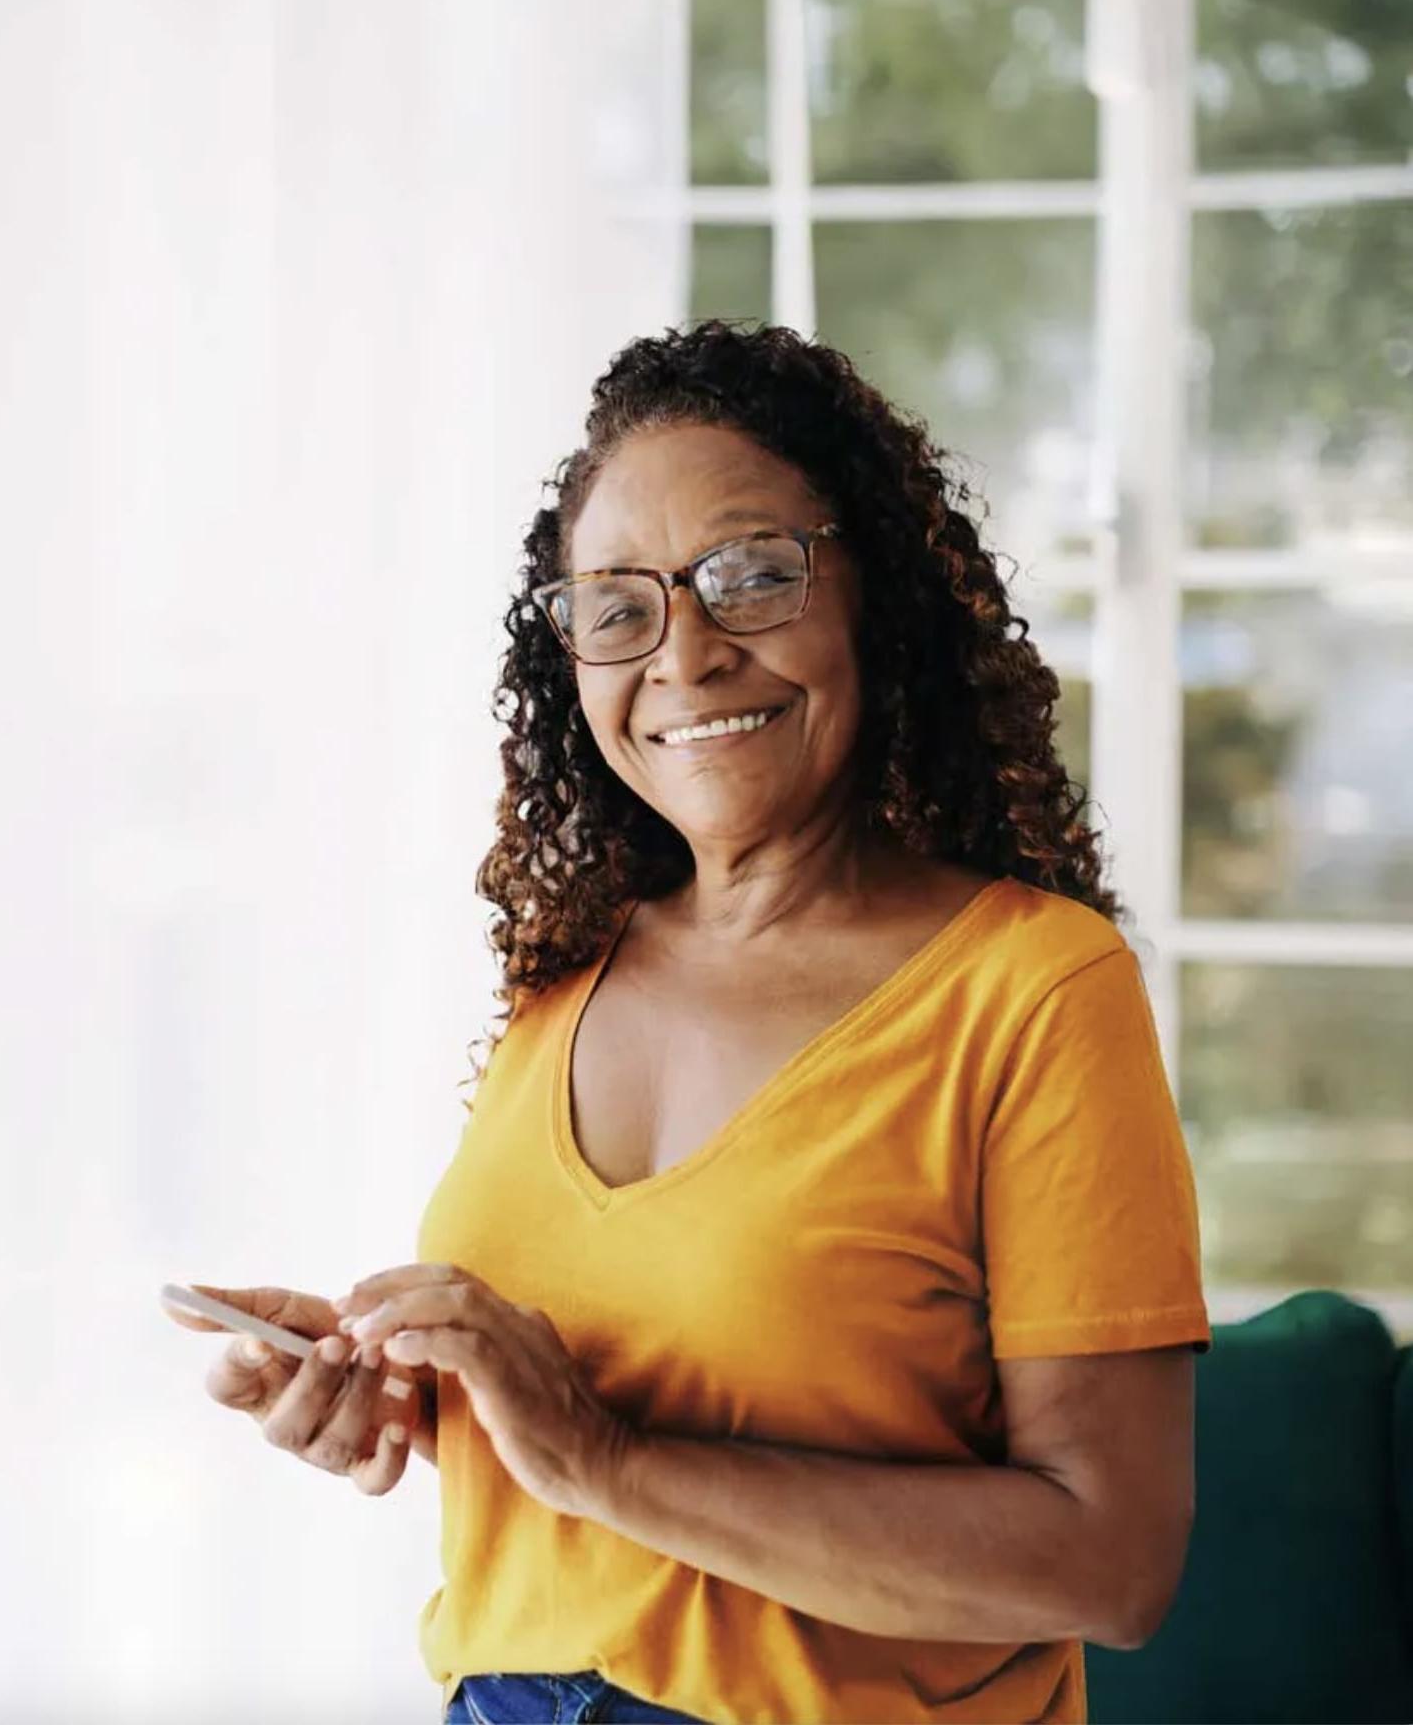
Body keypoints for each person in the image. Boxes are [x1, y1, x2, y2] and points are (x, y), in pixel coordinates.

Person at [160, 319, 1210, 1724]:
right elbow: (615, 1399)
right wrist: (411, 1394)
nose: (688, 653)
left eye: (752, 575)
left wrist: (604, 1460)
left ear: (877, 598)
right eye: (618, 606)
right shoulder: (568, 972)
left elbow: (1110, 1561)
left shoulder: (1034, 990)